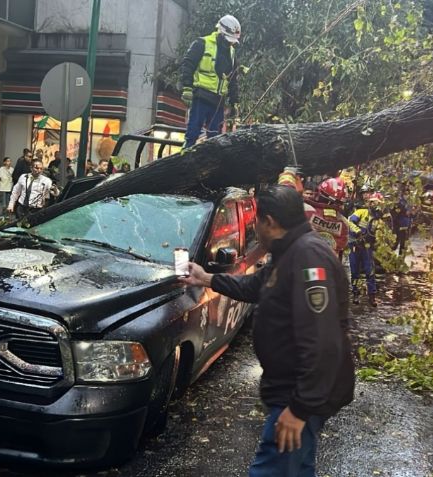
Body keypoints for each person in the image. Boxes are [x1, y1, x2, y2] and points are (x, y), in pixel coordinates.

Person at [180, 185, 355, 476]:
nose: (254, 229)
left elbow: (323, 342)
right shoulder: (288, 252)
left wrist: (299, 409)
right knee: (296, 469)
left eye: (256, 221)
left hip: (297, 394)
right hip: (293, 391)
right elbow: (256, 285)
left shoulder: (309, 259)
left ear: (270, 222)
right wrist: (207, 278)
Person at [179, 15, 241, 148]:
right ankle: (185, 157)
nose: (230, 43)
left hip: (218, 101)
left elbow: (233, 79)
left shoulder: (232, 53)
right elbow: (188, 64)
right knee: (193, 133)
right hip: (201, 96)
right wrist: (187, 88)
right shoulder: (202, 44)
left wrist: (234, 101)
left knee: (215, 138)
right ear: (221, 33)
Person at [348, 193, 384, 307]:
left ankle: (372, 296)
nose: (375, 205)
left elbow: (381, 234)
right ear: (369, 203)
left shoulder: (379, 220)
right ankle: (355, 294)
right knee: (355, 272)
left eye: (378, 203)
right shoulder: (361, 212)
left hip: (367, 248)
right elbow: (350, 222)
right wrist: (358, 233)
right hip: (355, 245)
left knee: (370, 271)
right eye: (373, 202)